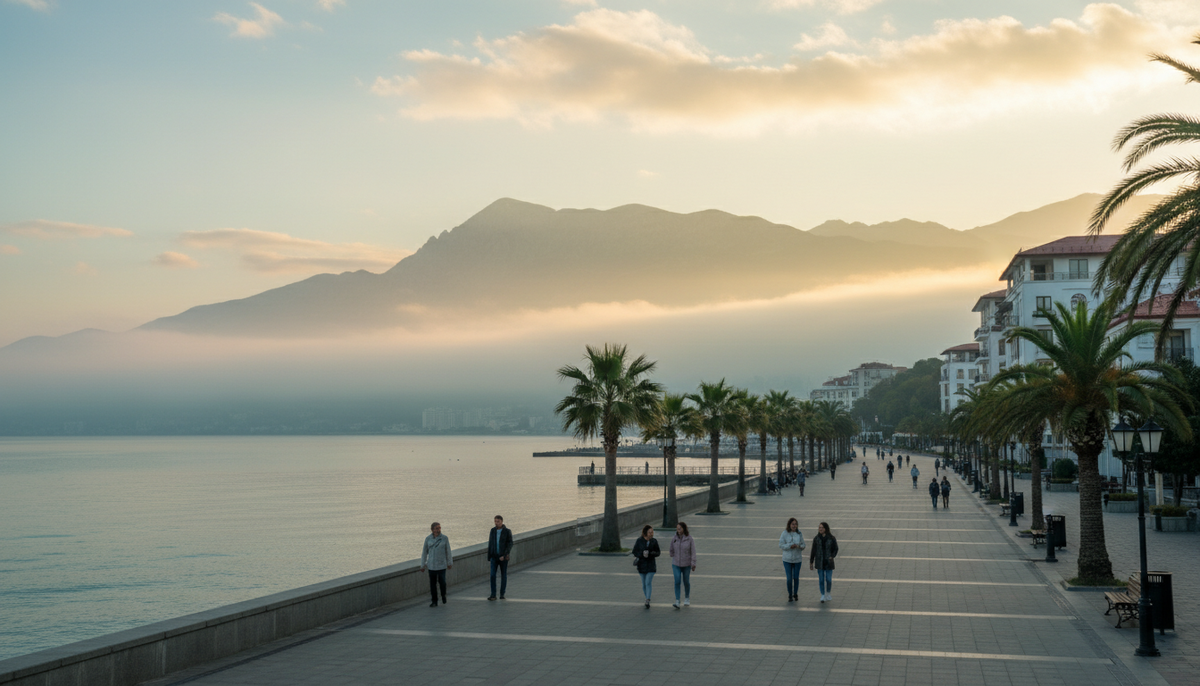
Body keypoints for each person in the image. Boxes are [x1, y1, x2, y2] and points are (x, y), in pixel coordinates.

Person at [420, 522, 453, 607]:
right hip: (431, 566)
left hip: (441, 565)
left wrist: (449, 562)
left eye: (439, 528)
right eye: (436, 528)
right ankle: (434, 601)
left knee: (442, 582)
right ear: (432, 530)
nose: (438, 530)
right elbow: (424, 552)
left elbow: (448, 551)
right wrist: (422, 565)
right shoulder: (428, 539)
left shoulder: (444, 538)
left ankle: (443, 595)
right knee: (432, 584)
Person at [669, 522, 697, 609]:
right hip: (676, 564)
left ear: (684, 529)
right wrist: (672, 554)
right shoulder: (674, 538)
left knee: (686, 581)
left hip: (686, 564)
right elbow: (671, 548)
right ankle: (677, 600)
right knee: (677, 581)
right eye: (677, 529)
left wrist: (693, 563)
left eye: (680, 528)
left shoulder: (689, 539)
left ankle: (687, 598)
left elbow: (693, 552)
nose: (678, 530)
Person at [631, 524, 660, 608]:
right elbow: (634, 552)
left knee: (648, 582)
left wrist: (650, 554)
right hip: (641, 565)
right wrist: (642, 554)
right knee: (644, 584)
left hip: (651, 565)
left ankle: (647, 600)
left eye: (652, 532)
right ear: (645, 533)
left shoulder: (654, 541)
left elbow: (658, 552)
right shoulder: (639, 541)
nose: (651, 534)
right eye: (649, 532)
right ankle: (647, 597)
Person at [809, 522, 838, 603]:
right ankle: (822, 594)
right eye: (819, 527)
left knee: (828, 579)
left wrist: (832, 556)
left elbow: (836, 548)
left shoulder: (831, 538)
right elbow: (813, 550)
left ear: (826, 529)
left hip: (828, 562)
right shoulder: (816, 538)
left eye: (822, 527)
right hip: (819, 562)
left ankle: (828, 592)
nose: (820, 529)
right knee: (821, 579)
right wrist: (811, 562)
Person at [487, 515, 513, 601]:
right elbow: (490, 544)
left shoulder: (507, 531)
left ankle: (502, 594)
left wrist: (505, 555)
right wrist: (489, 556)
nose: (496, 523)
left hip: (503, 558)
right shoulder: (492, 531)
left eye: (498, 521)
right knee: (492, 575)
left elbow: (510, 544)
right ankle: (493, 595)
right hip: (494, 557)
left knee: (503, 575)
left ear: (502, 522)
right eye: (495, 521)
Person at [780, 517, 805, 602]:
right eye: (793, 524)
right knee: (789, 578)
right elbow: (781, 545)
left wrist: (799, 546)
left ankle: (795, 593)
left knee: (796, 577)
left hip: (797, 559)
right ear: (789, 525)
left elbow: (803, 545)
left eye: (796, 524)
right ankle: (790, 594)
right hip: (787, 559)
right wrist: (789, 546)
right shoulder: (784, 533)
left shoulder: (799, 533)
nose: (794, 526)